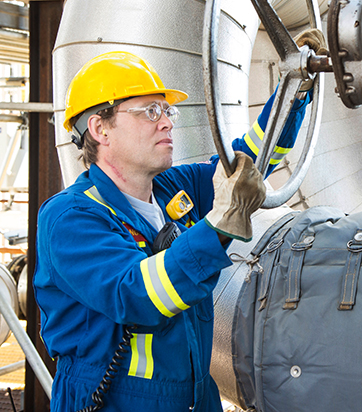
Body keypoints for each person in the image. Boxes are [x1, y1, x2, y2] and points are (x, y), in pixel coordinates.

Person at [33, 29, 326, 412]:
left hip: (195, 396)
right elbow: (138, 293)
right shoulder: (70, 218)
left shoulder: (174, 188)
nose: (168, 122)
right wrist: (219, 224)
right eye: (150, 111)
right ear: (100, 128)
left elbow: (249, 160)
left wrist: (294, 88)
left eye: (166, 111)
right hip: (114, 401)